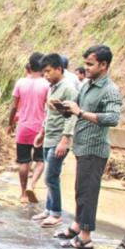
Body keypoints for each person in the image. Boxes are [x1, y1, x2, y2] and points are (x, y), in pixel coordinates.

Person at [55, 45, 122, 249]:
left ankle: (85, 237)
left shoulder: (110, 90)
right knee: (80, 190)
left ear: (104, 65)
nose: (87, 68)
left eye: (90, 64)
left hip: (95, 149)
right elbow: (75, 108)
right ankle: (77, 225)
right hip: (82, 146)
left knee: (88, 192)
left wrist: (81, 113)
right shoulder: (86, 85)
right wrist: (62, 107)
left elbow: (112, 118)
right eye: (86, 63)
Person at [32, 53, 79, 227]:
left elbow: (72, 116)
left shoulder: (68, 89)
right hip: (49, 137)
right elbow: (49, 113)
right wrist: (42, 132)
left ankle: (56, 213)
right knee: (48, 176)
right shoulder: (53, 87)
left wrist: (65, 140)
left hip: (59, 138)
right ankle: (48, 209)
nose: (46, 75)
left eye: (48, 71)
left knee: (51, 176)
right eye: (44, 72)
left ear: (59, 69)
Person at [8, 53, 50, 204]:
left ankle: (23, 193)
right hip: (40, 128)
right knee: (40, 159)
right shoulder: (46, 84)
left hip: (23, 126)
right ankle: (33, 185)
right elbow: (49, 108)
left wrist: (10, 124)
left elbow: (13, 106)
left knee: (23, 161)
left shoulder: (20, 82)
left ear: (29, 66)